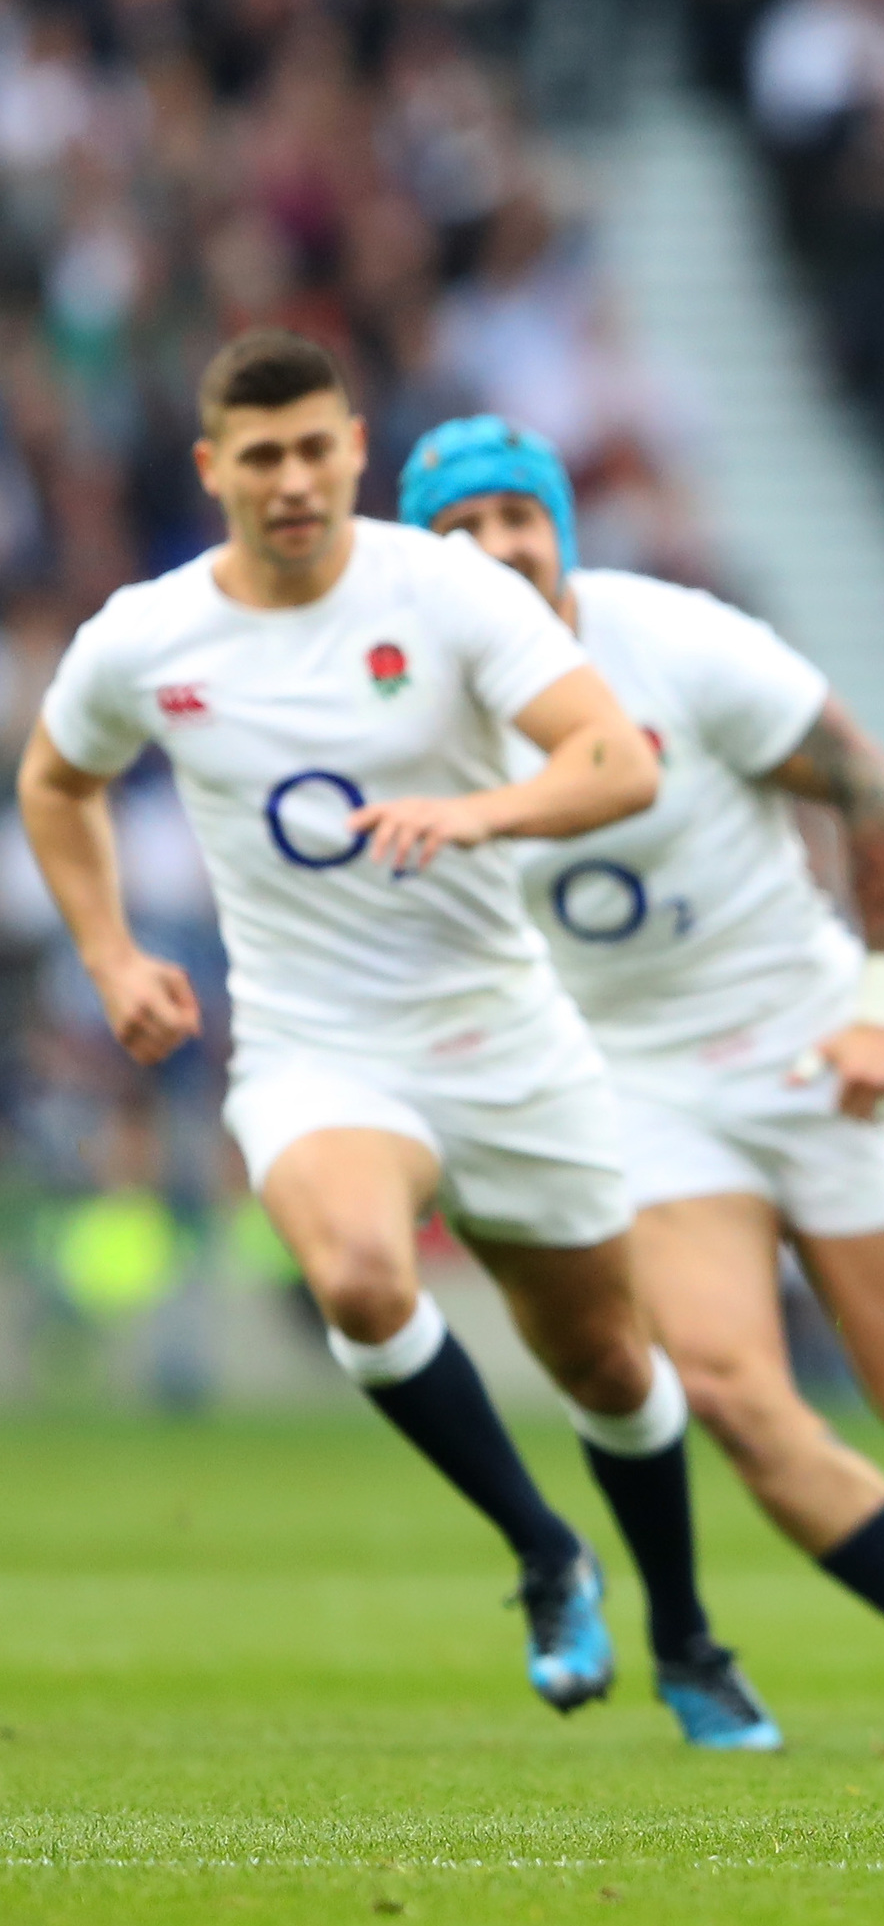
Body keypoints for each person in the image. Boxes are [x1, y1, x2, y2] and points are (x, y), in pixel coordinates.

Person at [16, 330, 776, 1748]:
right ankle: (549, 1558)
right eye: (261, 458)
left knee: (608, 1365)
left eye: (315, 449)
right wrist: (112, 954)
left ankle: (684, 1636)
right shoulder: (147, 637)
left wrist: (473, 815)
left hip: (501, 1030)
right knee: (360, 1278)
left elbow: (612, 759)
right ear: (212, 470)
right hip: (319, 1045)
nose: (292, 479)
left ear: (355, 450)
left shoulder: (447, 594)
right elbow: (56, 783)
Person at [401, 415, 884, 1739]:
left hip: (810, 1036)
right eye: (456, 534)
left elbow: (874, 789)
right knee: (727, 1388)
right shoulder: (408, 723)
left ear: (557, 529)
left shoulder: (676, 640)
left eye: (513, 519)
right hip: (636, 1082)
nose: (493, 548)